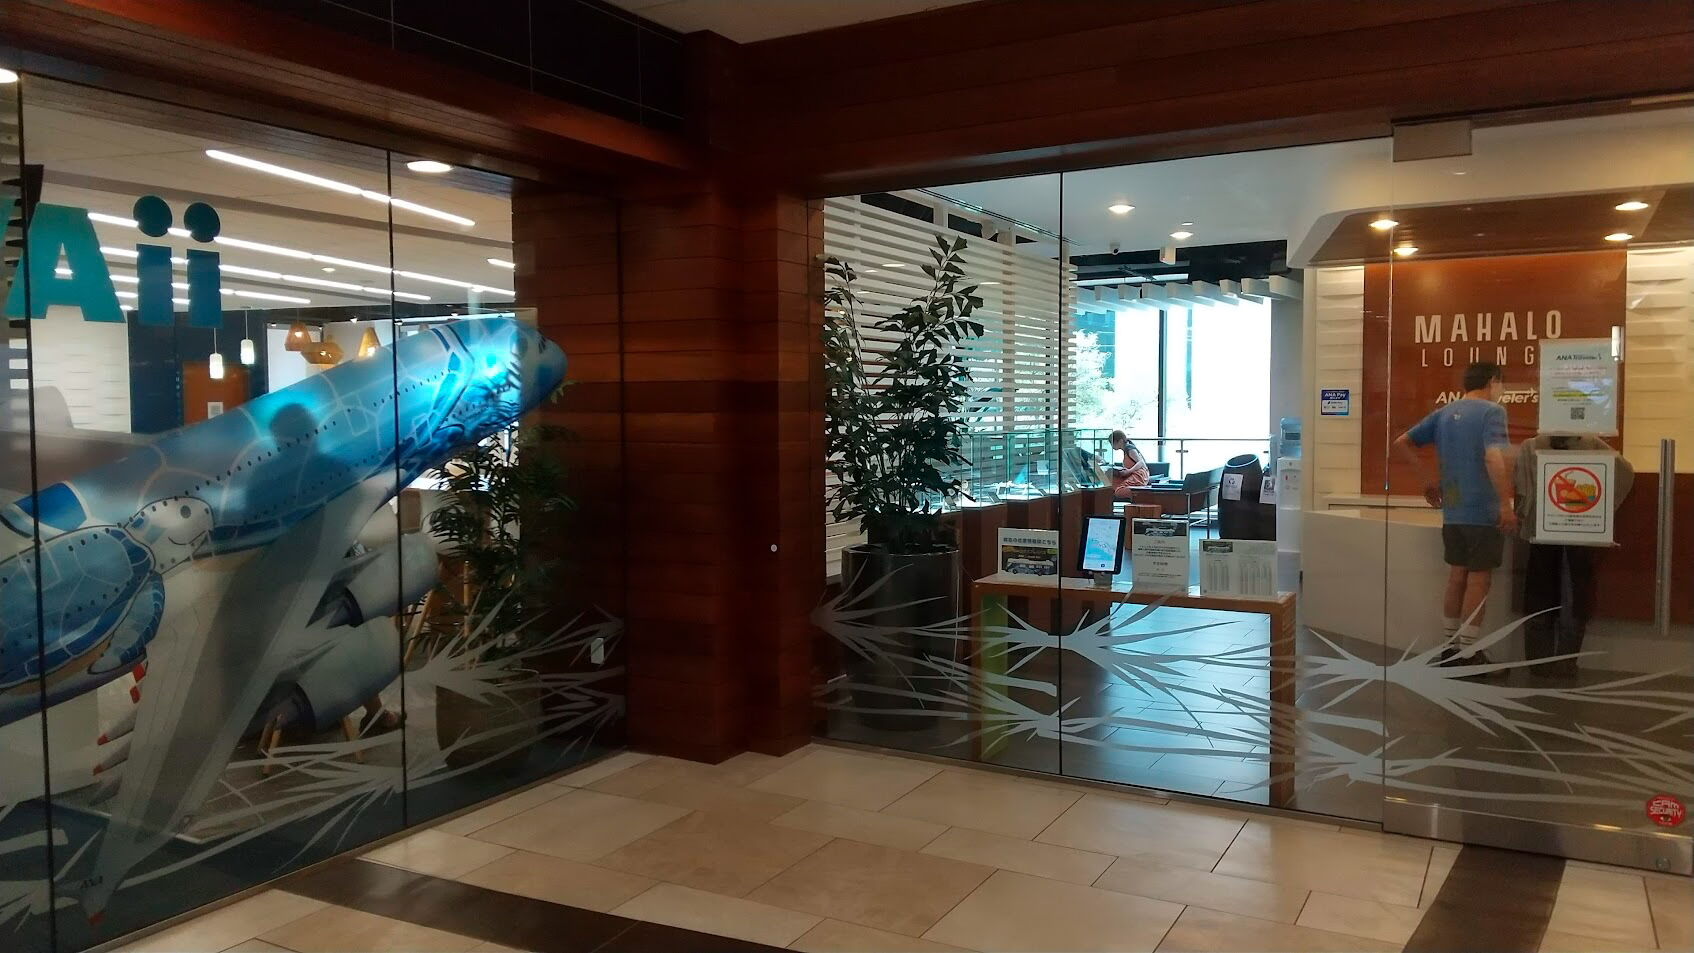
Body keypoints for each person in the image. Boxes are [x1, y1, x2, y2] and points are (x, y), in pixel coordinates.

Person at [1392, 362, 1516, 669]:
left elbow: (1402, 442)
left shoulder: (1444, 413)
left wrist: (1427, 480)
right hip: (1483, 509)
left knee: (1457, 575)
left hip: (1454, 509)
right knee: (1479, 579)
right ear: (1493, 381)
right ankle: (1469, 653)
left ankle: (1449, 648)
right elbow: (1493, 457)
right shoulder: (1492, 412)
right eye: (1500, 383)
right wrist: (1505, 504)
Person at [1514, 433, 1633, 678]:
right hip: (1581, 529)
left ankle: (1539, 663)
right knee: (1575, 596)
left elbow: (1522, 493)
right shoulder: (1592, 444)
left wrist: (1526, 514)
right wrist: (1601, 511)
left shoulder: (1531, 446)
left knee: (1539, 593)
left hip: (1541, 528)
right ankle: (1566, 663)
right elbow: (1624, 473)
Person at [1104, 430, 1152, 500]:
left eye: (1113, 443)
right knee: (1111, 481)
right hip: (1131, 473)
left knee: (1119, 491)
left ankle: (1142, 494)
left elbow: (1141, 462)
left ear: (1120, 441)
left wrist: (1129, 471)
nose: (1112, 446)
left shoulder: (1130, 449)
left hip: (1139, 475)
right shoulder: (1126, 450)